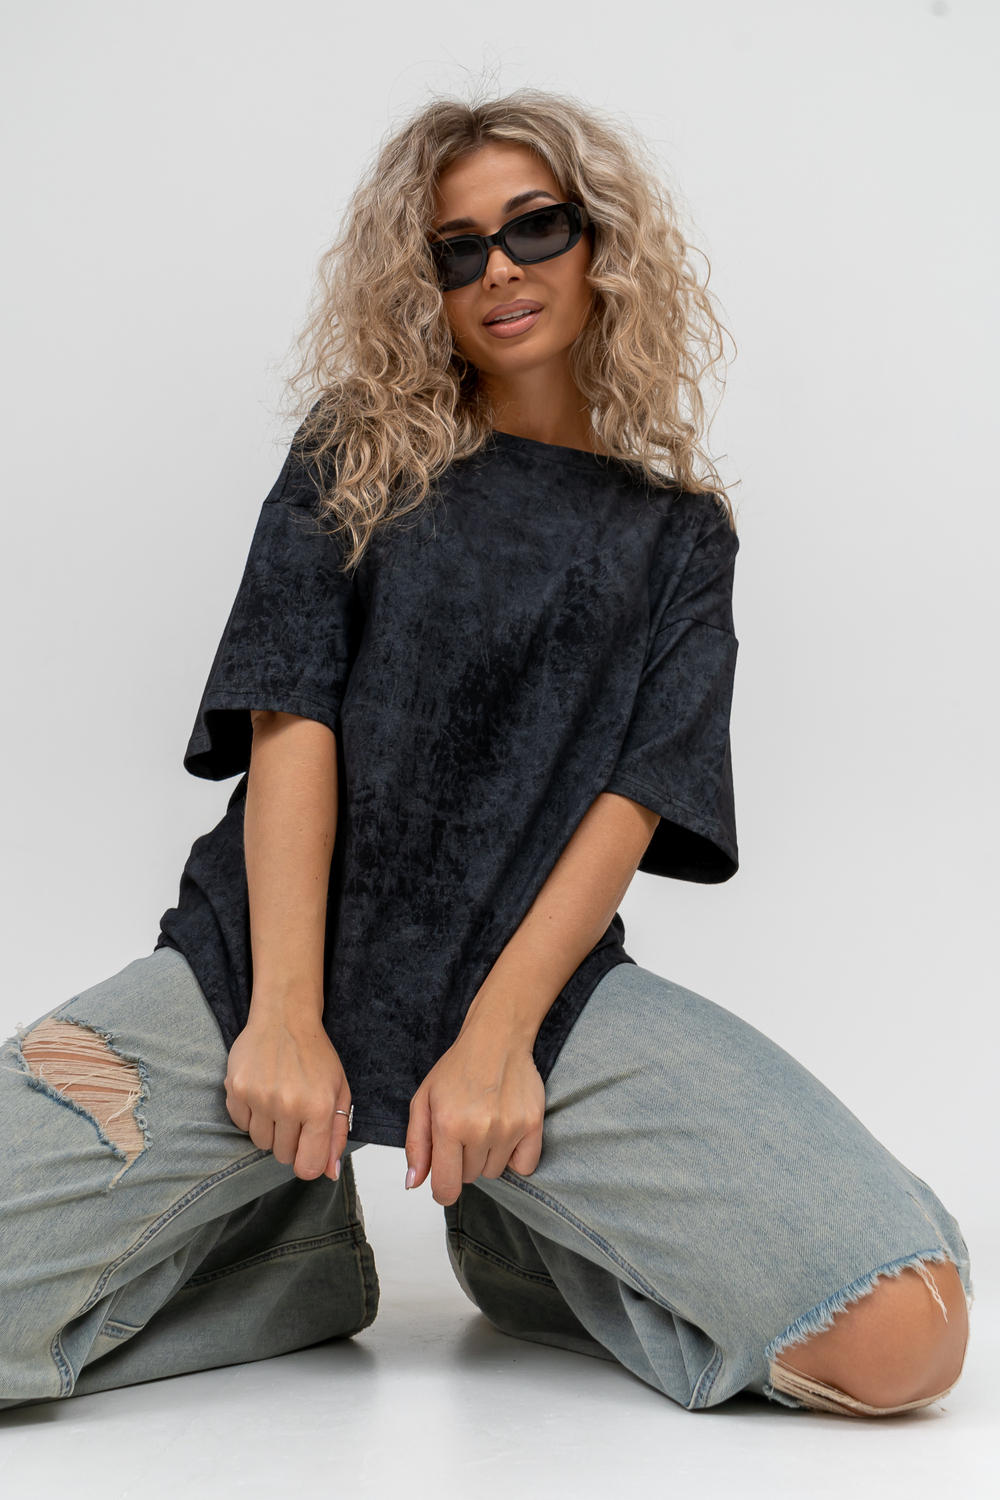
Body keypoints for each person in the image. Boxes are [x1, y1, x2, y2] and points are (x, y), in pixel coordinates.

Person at [0, 91, 970, 1417]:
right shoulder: (352, 452)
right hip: (255, 977)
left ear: (599, 241)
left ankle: (525, 1242)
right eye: (457, 249)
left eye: (535, 228)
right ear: (426, 286)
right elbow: (290, 718)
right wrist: (283, 1013)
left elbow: (638, 798)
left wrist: (501, 1040)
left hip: (538, 1005)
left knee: (905, 1338)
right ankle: (288, 1258)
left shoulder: (680, 537)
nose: (499, 268)